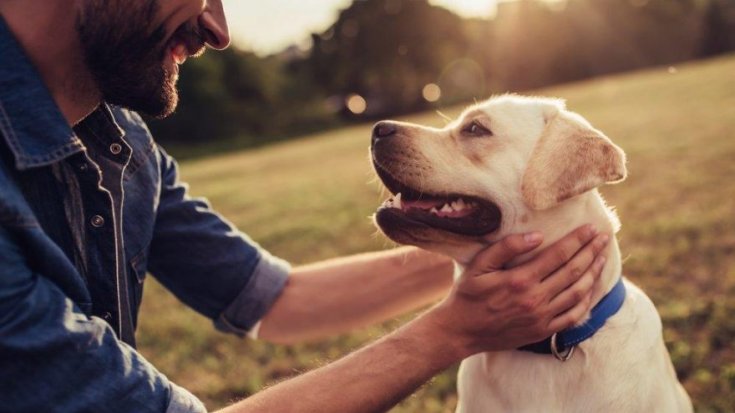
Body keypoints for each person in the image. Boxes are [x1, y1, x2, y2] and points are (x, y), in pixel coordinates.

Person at [0, 1, 610, 412]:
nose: (218, 28)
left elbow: (276, 298)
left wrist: (521, 253)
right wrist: (451, 332)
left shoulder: (125, 145)